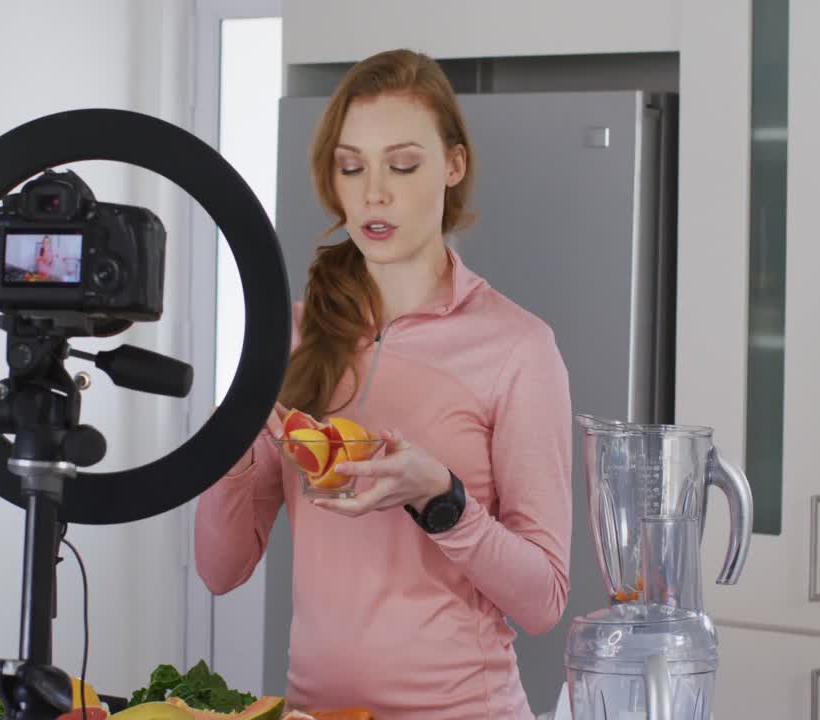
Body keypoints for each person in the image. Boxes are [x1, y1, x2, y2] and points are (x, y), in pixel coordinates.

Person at [194, 48, 573, 720]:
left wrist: (440, 498)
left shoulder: (518, 348)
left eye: (402, 165)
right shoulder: (284, 339)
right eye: (352, 166)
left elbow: (544, 598)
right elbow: (220, 571)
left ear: (453, 166)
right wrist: (234, 437)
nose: (374, 192)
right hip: (318, 712)